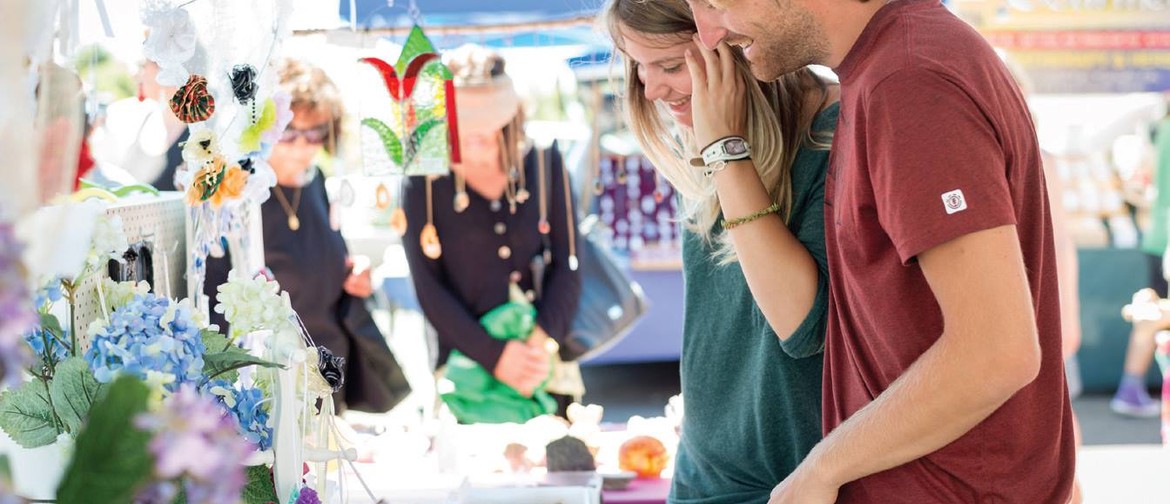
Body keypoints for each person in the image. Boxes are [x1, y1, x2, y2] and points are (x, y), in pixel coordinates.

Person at [687, 0, 1076, 502]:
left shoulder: (909, 76)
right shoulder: (894, 63)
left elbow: (998, 353)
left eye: (717, 2)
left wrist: (819, 470)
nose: (709, 32)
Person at [603, 0, 837, 501]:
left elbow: (803, 325)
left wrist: (727, 150)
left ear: (734, 35)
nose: (651, 88)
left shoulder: (831, 133)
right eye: (637, 66)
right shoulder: (706, 143)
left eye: (668, 65)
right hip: (699, 481)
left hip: (797, 484)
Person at [205, 59, 408, 413]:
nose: (302, 145)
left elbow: (325, 257)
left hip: (327, 373)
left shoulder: (315, 182)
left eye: (314, 133)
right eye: (289, 132)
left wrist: (353, 272)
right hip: (271, 386)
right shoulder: (241, 196)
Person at [401, 45, 584, 421]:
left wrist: (538, 344)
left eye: (488, 118)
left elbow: (569, 261)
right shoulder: (425, 182)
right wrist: (495, 356)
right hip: (466, 375)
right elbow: (427, 286)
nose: (476, 134)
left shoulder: (546, 164)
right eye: (464, 120)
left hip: (544, 365)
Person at [1113, 105, 1170, 418]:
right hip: (1165, 240)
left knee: (1151, 312)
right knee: (1153, 314)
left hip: (1157, 236)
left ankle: (1131, 389)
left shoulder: (1160, 129)